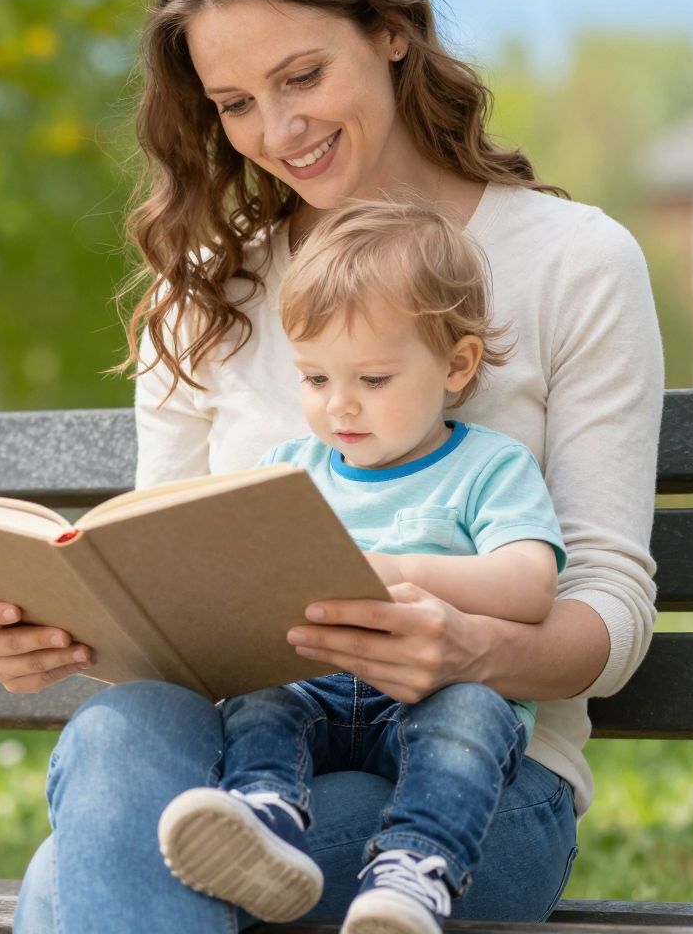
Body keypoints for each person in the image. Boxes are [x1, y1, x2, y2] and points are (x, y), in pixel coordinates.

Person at [0, 0, 664, 933]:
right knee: (121, 734)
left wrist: (472, 650)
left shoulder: (572, 263)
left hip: (465, 794)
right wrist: (65, 630)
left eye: (302, 76)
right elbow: (168, 587)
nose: (277, 131)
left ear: (390, 31)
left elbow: (608, 608)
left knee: (85, 872)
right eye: (234, 105)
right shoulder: (205, 288)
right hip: (252, 757)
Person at [155, 198, 565, 934]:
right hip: (311, 689)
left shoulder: (487, 467)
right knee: (259, 693)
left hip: (423, 695)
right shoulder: (289, 469)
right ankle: (263, 820)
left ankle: (413, 874)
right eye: (314, 380)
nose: (339, 406)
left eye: (372, 381)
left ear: (456, 364)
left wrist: (400, 570)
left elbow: (531, 585)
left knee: (475, 713)